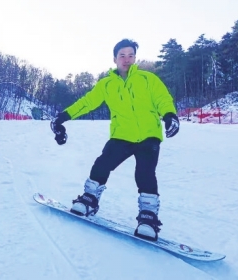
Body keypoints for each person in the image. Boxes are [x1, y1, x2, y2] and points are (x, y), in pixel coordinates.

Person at [50, 39, 179, 241]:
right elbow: (87, 103)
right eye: (122, 55)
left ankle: (148, 218)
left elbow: (163, 98)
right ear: (114, 58)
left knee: (145, 174)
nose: (127, 60)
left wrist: (170, 115)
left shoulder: (148, 79)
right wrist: (63, 117)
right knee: (102, 164)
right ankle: (89, 200)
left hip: (149, 136)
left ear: (135, 58)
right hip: (121, 135)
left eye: (131, 55)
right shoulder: (107, 84)